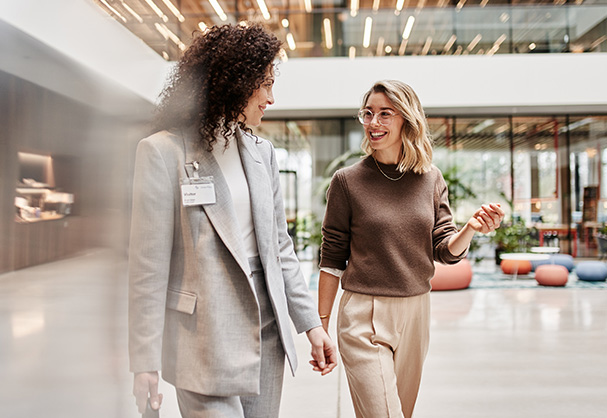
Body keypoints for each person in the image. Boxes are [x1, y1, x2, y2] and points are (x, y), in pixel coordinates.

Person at [128, 23, 337, 418]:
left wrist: (312, 325)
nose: (271, 99)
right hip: (202, 340)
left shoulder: (263, 153)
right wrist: (144, 360)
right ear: (236, 82)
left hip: (266, 335)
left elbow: (280, 249)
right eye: (266, 84)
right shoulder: (162, 153)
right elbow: (148, 268)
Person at [317, 80, 504, 418]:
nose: (374, 123)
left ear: (407, 119)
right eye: (368, 113)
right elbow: (331, 259)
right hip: (363, 313)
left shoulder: (430, 179)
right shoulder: (347, 181)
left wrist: (470, 229)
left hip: (416, 312)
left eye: (385, 114)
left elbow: (445, 250)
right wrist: (321, 327)